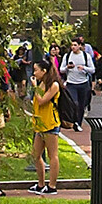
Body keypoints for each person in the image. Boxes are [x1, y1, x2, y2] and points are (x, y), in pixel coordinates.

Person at [27, 59, 63, 194]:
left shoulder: (53, 85)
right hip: (39, 124)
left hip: (50, 123)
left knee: (52, 155)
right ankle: (41, 184)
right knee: (36, 155)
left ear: (44, 71)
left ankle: (52, 185)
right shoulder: (41, 84)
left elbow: (42, 101)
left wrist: (35, 87)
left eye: (36, 70)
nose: (34, 73)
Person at [62, 36, 96, 124]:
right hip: (71, 83)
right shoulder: (67, 56)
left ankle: (78, 122)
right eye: (72, 45)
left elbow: (92, 70)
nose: (73, 47)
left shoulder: (85, 56)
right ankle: (73, 120)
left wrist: (84, 68)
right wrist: (67, 67)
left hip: (83, 83)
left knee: (81, 105)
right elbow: (61, 69)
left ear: (80, 46)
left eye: (75, 45)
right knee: (74, 103)